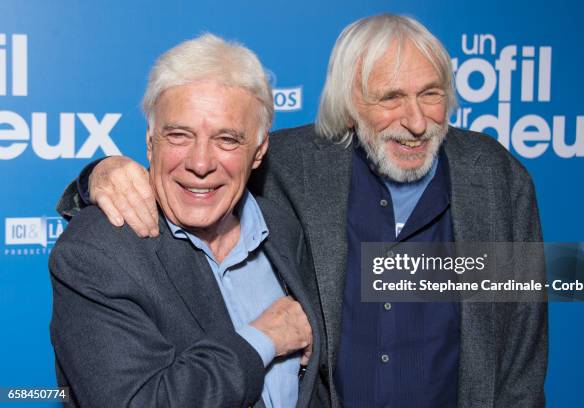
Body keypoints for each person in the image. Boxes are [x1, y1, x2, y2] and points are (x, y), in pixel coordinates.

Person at [57, 14, 547, 408]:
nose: (416, 121)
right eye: (391, 97)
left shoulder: (494, 179)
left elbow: (522, 343)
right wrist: (98, 175)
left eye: (431, 94)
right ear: (352, 102)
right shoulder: (297, 167)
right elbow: (197, 162)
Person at [50, 33, 327, 408]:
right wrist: (265, 338)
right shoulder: (97, 251)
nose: (200, 164)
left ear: (259, 151)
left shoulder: (280, 225)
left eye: (227, 139)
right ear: (151, 142)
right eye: (179, 135)